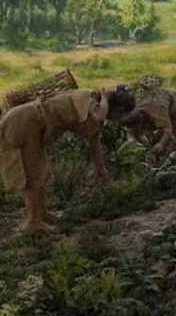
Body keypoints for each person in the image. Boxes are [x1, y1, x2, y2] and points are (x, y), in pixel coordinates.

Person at [0, 88, 135, 232]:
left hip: (33, 126)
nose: (119, 120)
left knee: (41, 171)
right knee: (30, 171)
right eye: (121, 114)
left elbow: (94, 142)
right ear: (117, 108)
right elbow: (99, 117)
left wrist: (101, 170)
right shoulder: (88, 98)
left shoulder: (97, 109)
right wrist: (106, 98)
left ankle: (41, 213)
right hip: (23, 121)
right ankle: (33, 222)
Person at [119, 78, 176, 156]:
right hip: (153, 104)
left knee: (175, 131)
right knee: (146, 136)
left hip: (174, 102)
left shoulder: (157, 110)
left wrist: (161, 144)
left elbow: (167, 128)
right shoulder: (132, 107)